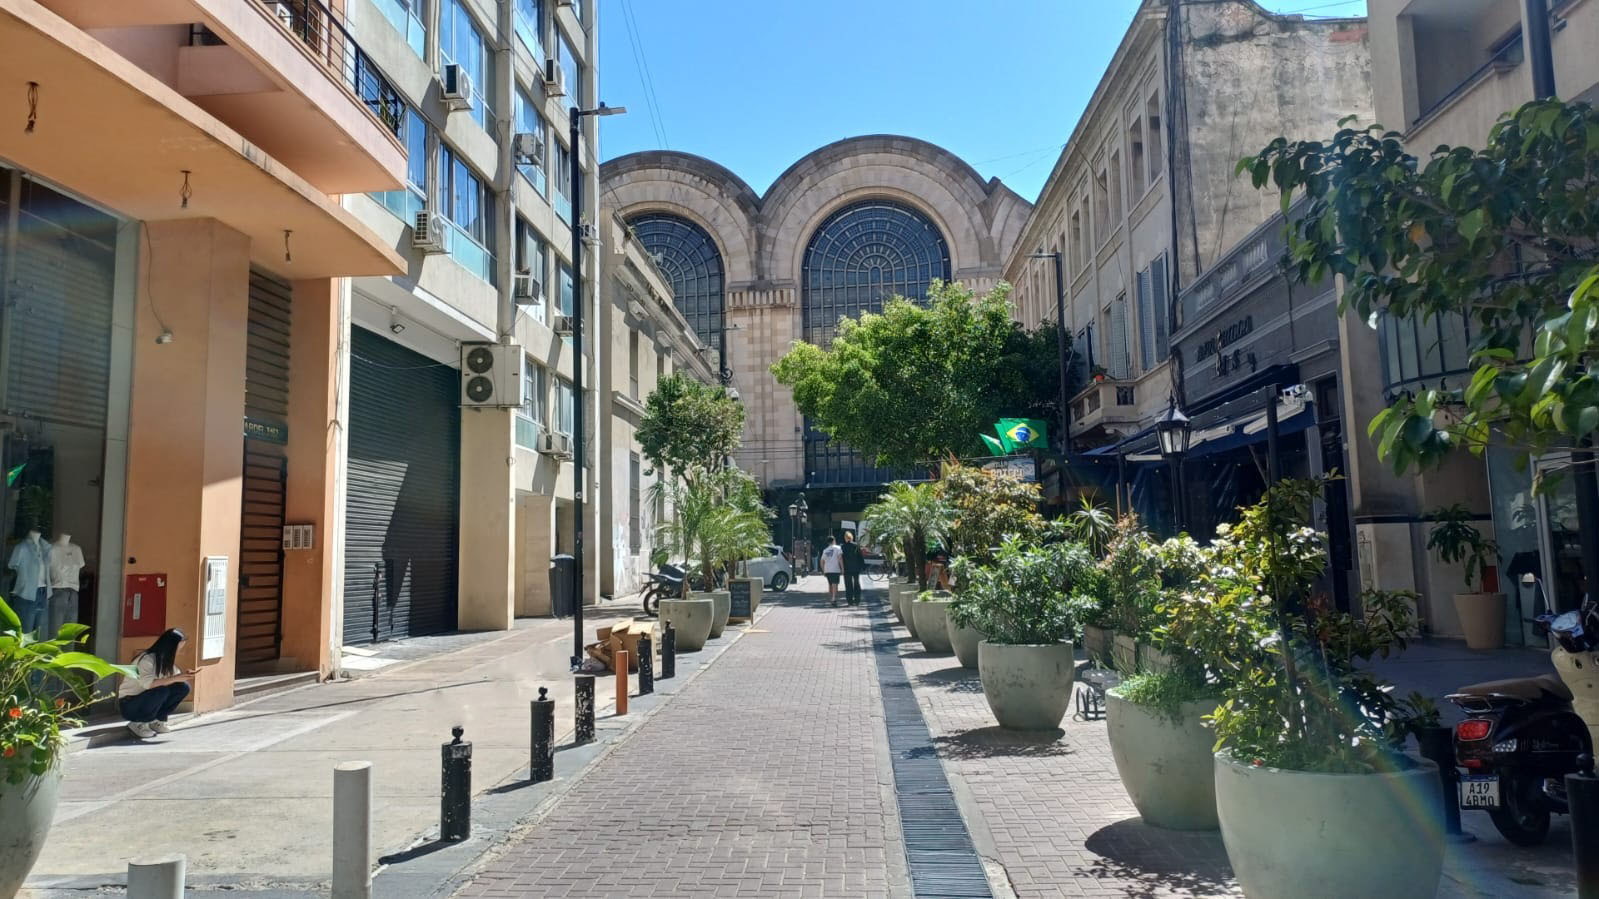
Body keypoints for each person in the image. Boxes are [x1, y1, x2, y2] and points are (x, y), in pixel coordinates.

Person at [118, 628, 194, 739]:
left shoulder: (165, 660)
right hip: (130, 704)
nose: (179, 652)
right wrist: (175, 678)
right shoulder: (146, 660)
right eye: (178, 648)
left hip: (145, 700)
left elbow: (176, 677)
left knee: (183, 687)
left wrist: (185, 675)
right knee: (161, 690)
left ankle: (157, 720)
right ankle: (138, 723)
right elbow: (148, 684)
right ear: (170, 647)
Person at [841, 531, 865, 606]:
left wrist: (841, 568)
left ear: (845, 538)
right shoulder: (856, 546)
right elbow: (860, 557)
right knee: (856, 583)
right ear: (851, 537)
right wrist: (863, 566)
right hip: (856, 568)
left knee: (848, 585)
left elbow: (841, 558)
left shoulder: (843, 547)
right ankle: (857, 600)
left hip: (847, 568)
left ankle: (850, 601)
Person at [819, 536, 844, 607]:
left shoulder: (825, 550)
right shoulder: (838, 548)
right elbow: (840, 559)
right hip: (835, 569)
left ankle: (832, 598)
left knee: (830, 585)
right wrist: (842, 568)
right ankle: (834, 599)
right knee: (835, 584)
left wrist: (823, 570)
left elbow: (821, 561)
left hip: (827, 570)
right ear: (834, 540)